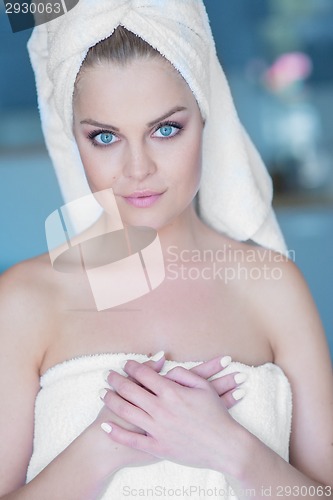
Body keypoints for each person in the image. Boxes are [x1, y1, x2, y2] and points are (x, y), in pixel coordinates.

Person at [0, 1, 332, 499]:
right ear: (75, 138)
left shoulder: (272, 284)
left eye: (165, 129)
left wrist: (230, 449)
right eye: (105, 137)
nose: (137, 169)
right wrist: (106, 444)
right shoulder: (24, 299)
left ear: (204, 116)